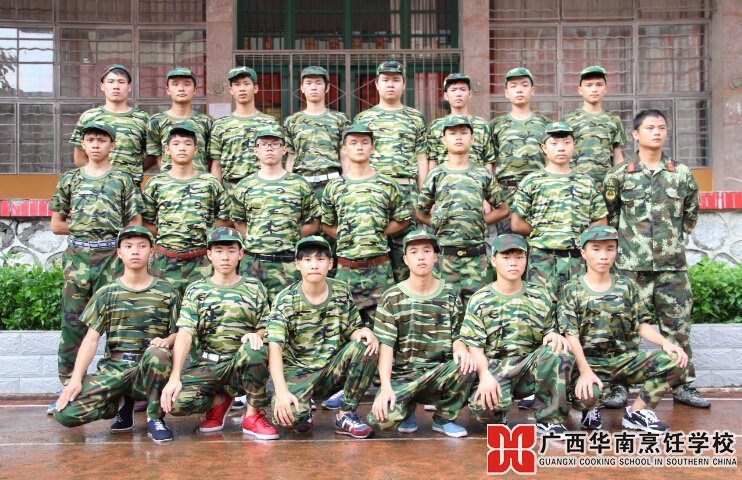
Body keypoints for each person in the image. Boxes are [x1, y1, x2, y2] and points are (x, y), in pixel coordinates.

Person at [603, 109, 708, 408]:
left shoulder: (681, 173)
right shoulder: (619, 175)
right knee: (623, 329)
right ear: (635, 134)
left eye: (661, 127)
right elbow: (610, 217)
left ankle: (682, 385)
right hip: (630, 268)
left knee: (678, 329)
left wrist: (669, 242)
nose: (657, 132)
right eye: (650, 128)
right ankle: (618, 387)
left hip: (671, 268)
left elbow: (690, 214)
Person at [54, 226, 180, 444]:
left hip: (148, 369)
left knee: (158, 354)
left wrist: (167, 340)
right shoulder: (106, 292)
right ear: (119, 253)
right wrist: (75, 380)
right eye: (128, 246)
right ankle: (119, 404)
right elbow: (91, 339)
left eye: (142, 246)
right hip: (115, 368)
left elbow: (180, 333)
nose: (135, 251)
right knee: (65, 414)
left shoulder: (168, 291)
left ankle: (154, 417)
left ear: (151, 252)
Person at [559, 225, 687, 432]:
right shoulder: (571, 289)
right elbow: (570, 334)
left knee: (675, 360)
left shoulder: (626, 286)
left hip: (622, 360)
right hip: (589, 362)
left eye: (610, 249)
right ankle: (591, 408)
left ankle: (636, 412)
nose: (604, 256)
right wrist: (584, 371)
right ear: (583, 253)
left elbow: (641, 325)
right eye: (596, 249)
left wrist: (666, 344)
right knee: (587, 397)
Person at [50, 120, 142, 393]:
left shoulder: (122, 179)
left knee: (117, 321)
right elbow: (56, 224)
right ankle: (69, 385)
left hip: (111, 257)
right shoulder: (70, 179)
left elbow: (134, 223)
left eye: (102, 140)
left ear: (112, 146)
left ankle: (114, 385)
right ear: (83, 144)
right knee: (74, 322)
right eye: (90, 140)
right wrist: (85, 227)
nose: (96, 145)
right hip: (78, 258)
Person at [160, 227, 278, 439]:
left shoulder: (254, 287)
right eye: (219, 251)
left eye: (231, 251)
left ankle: (252, 416)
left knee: (256, 349)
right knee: (175, 404)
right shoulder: (196, 290)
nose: (225, 257)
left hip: (239, 364)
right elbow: (185, 332)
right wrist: (175, 376)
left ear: (240, 254)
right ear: (209, 255)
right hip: (208, 364)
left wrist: (257, 335)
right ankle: (219, 401)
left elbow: (266, 326)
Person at [460, 234, 574, 436]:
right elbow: (474, 348)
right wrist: (484, 376)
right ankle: (499, 414)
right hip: (496, 369)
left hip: (528, 367)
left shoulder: (540, 295)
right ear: (493, 260)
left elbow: (549, 331)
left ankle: (549, 419)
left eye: (519, 257)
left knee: (559, 350)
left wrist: (554, 335)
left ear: (526, 260)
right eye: (506, 257)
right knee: (483, 409)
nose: (513, 263)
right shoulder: (480, 299)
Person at [266, 236, 379, 439]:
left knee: (366, 344)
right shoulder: (285, 299)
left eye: (320, 259)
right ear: (297, 264)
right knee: (287, 418)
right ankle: (304, 410)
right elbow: (274, 347)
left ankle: (346, 414)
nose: (314, 265)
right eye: (307, 260)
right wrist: (281, 392)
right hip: (298, 372)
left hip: (332, 370)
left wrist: (363, 332)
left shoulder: (340, 291)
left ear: (330, 263)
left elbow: (352, 330)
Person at [369, 230, 475, 438]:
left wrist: (462, 349)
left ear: (436, 257)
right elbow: (386, 347)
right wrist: (386, 388)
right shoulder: (392, 297)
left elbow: (458, 336)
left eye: (427, 251)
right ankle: (406, 409)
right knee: (383, 419)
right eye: (414, 252)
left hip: (438, 373)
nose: (421, 257)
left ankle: (444, 418)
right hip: (404, 376)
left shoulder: (450, 294)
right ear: (405, 259)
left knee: (466, 363)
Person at [417, 115, 509, 306]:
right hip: (445, 259)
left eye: (464, 133)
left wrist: (478, 221)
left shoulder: (482, 173)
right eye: (452, 133)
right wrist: (438, 222)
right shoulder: (436, 174)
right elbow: (420, 212)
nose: (458, 137)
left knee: (479, 309)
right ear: (444, 140)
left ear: (472, 139)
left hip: (476, 260)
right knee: (442, 311)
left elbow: (502, 209)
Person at [511, 122, 607, 300]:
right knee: (541, 307)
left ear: (574, 146)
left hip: (577, 258)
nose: (561, 148)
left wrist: (581, 238)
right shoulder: (532, 181)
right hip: (542, 260)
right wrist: (542, 233)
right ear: (543, 148)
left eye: (567, 143)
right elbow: (517, 224)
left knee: (577, 305)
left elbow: (600, 220)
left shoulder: (586, 182)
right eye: (554, 143)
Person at [354, 60, 427, 282]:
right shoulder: (364, 119)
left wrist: (424, 195)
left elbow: (421, 156)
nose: (390, 84)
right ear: (376, 84)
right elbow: (353, 155)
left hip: (406, 190)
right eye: (385, 80)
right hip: (373, 191)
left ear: (404, 85)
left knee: (408, 249)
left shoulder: (415, 117)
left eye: (396, 80)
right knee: (374, 245)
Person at [231, 126, 320, 301]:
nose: (269, 148)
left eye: (275, 144)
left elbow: (313, 222)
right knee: (252, 309)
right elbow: (239, 221)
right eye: (264, 144)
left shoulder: (299, 184)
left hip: (288, 263)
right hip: (254, 263)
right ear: (256, 150)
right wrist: (256, 238)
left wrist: (290, 236)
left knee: (290, 309)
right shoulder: (244, 186)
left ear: (284, 149)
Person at [142, 124, 231, 295]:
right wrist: (170, 234)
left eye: (187, 144)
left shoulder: (209, 182)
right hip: (165, 262)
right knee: (164, 306)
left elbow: (226, 218)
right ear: (167, 150)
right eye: (176, 144)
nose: (182, 148)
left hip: (201, 262)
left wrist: (208, 234)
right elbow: (146, 222)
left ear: (196, 150)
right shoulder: (156, 184)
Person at [490, 67, 551, 234]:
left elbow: (551, 161)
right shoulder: (497, 125)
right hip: (506, 194)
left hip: (538, 193)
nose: (519, 89)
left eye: (524, 85)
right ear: (506, 93)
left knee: (538, 240)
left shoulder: (545, 124)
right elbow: (490, 163)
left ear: (532, 91)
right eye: (513, 86)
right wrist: (490, 197)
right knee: (507, 244)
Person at [69, 64, 152, 185]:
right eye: (111, 81)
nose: (116, 86)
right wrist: (96, 176)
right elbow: (79, 158)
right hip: (96, 187)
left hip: (130, 188)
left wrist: (133, 173)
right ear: (102, 86)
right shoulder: (89, 117)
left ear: (129, 87)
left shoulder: (142, 118)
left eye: (121, 82)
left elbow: (152, 154)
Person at [284, 66, 350, 199]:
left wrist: (346, 184)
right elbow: (291, 157)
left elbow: (344, 155)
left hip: (332, 182)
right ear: (302, 88)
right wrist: (287, 187)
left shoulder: (340, 119)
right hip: (301, 183)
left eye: (318, 83)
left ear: (327, 87)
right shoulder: (292, 121)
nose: (313, 87)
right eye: (308, 83)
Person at [209, 66, 279, 192]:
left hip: (263, 189)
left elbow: (276, 159)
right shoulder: (220, 125)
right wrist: (218, 194)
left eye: (246, 83)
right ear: (231, 90)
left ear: (255, 88)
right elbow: (216, 164)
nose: (242, 88)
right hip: (231, 191)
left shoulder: (270, 123)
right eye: (237, 84)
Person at [562, 65, 626, 190]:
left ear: (606, 89)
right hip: (575, 185)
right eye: (589, 85)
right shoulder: (569, 120)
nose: (594, 89)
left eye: (599, 85)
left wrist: (621, 183)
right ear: (580, 90)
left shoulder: (613, 120)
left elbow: (618, 157)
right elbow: (560, 154)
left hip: (605, 186)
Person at [147, 67, 213, 173]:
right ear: (168, 90)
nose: (181, 88)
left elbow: (211, 156)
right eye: (175, 84)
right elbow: (155, 153)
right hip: (169, 181)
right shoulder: (156, 121)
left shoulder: (206, 121)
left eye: (187, 84)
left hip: (200, 180)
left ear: (195, 90)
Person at [426, 73, 495, 170]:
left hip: (475, 178)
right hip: (444, 179)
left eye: (462, 89)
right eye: (453, 90)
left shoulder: (482, 125)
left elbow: (488, 161)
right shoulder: (436, 126)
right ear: (446, 95)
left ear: (470, 94)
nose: (458, 94)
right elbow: (432, 160)